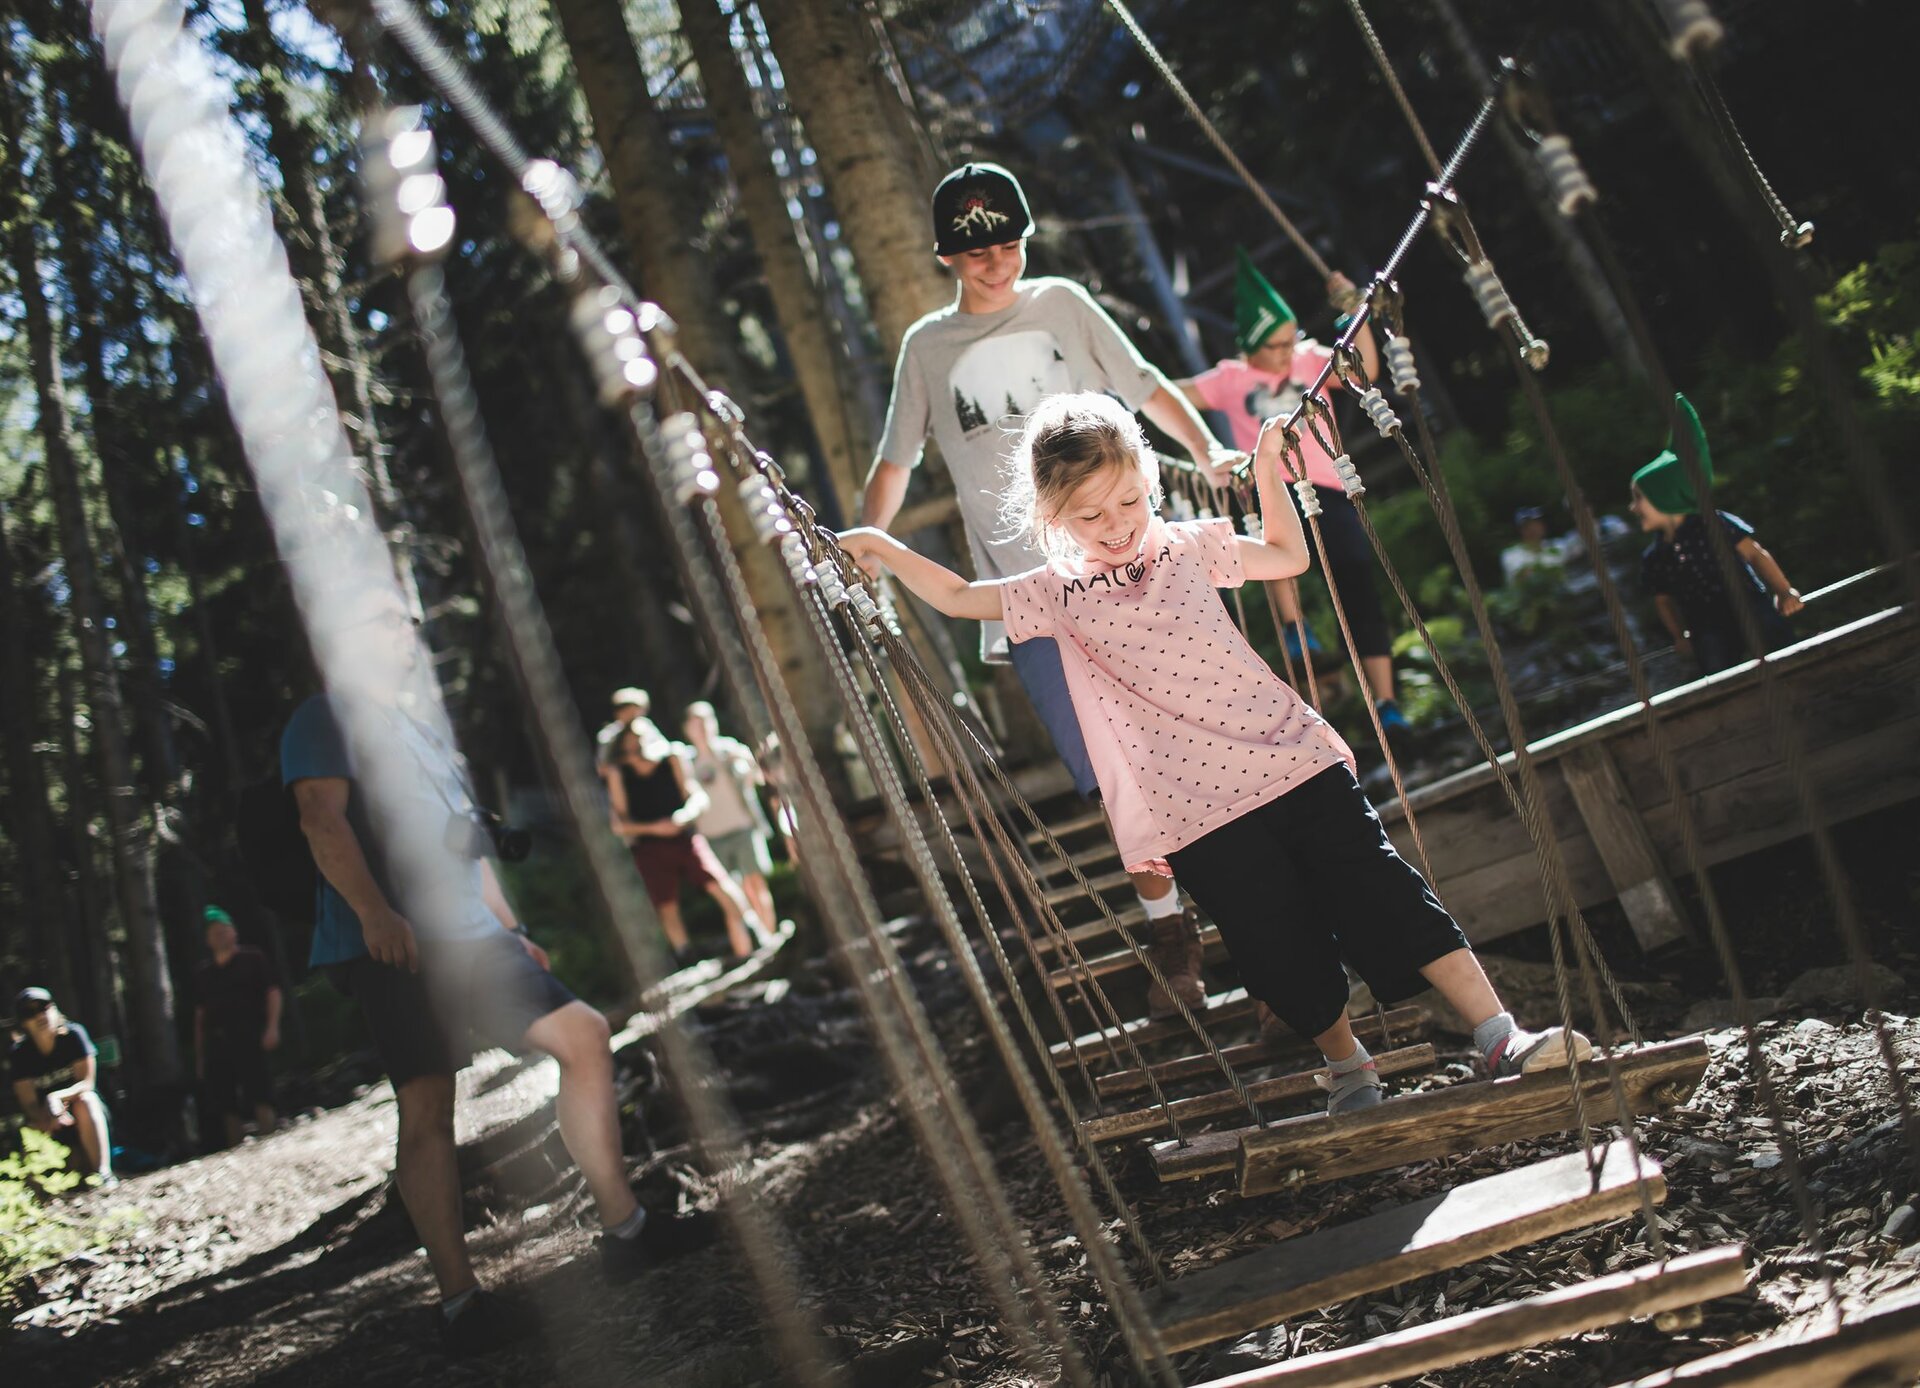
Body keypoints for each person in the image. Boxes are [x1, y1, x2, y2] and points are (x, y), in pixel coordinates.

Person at [839, 392, 1591, 1112]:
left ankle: (1498, 1035)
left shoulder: (1188, 545)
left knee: (1384, 888)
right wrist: (881, 548)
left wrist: (1267, 469)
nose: (1116, 524)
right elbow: (963, 595)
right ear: (1052, 517)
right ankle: (1345, 1065)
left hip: (1288, 757)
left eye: (1129, 501)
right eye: (1089, 514)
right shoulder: (1053, 592)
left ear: (1149, 480)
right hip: (1193, 808)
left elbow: (1287, 556)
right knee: (1273, 941)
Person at [860, 161, 1246, 1019]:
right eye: (976, 252)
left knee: (1192, 742)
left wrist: (1211, 449)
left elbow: (1143, 383)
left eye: (1008, 243)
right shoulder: (927, 347)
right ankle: (1172, 937)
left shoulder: (1065, 303)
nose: (996, 263)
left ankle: (1252, 927)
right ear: (946, 260)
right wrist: (869, 544)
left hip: (1131, 565)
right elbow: (897, 460)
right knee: (1112, 776)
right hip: (1027, 593)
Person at [283, 579, 703, 1356]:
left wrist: (516, 928)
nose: (406, 633)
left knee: (582, 1034)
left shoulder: (418, 732)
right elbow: (320, 816)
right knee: (428, 1108)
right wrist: (375, 913)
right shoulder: (324, 718)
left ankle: (626, 1230)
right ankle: (460, 1303)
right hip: (394, 943)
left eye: (409, 621)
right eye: (386, 620)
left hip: (476, 937)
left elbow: (465, 839)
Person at [1177, 249, 1407, 739]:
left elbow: (1362, 369)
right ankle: (1294, 628)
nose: (1286, 353)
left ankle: (1387, 703)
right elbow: (1173, 395)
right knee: (1275, 551)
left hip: (1325, 485)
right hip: (1271, 489)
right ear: (1251, 345)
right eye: (1275, 346)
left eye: (1289, 341)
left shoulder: (1310, 360)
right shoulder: (1230, 378)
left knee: (1358, 584)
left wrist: (1354, 313)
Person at [1630, 394, 1801, 677]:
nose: (1633, 508)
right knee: (1717, 668)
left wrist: (1784, 591)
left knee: (1778, 644)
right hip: (1706, 624)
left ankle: (1797, 672)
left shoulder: (1715, 525)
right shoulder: (1656, 555)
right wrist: (1679, 637)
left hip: (1749, 605)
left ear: (1667, 498)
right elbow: (1663, 600)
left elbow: (1755, 554)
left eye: (1639, 499)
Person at [600, 717, 765, 963]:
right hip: (648, 846)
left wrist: (681, 818)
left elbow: (697, 797)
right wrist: (655, 828)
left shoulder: (673, 757)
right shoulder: (620, 774)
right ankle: (685, 954)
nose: (638, 748)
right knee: (666, 903)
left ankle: (755, 931)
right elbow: (620, 824)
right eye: (632, 744)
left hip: (685, 838)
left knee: (718, 883)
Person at [192, 905, 284, 1147]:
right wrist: (200, 1056)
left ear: (234, 932)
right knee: (224, 1098)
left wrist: (272, 1027)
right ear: (207, 940)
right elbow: (200, 1017)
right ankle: (236, 1147)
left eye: (224, 930)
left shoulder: (252, 958)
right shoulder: (204, 973)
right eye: (214, 933)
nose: (220, 936)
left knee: (259, 1087)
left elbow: (272, 993)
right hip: (217, 1041)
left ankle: (269, 1135)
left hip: (250, 1033)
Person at [682, 702, 778, 932]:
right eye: (696, 724)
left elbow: (758, 779)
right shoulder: (685, 761)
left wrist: (747, 762)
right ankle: (758, 936)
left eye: (706, 722)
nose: (702, 729)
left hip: (743, 826)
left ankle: (771, 932)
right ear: (687, 729)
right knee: (734, 891)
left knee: (755, 883)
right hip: (710, 835)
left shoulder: (731, 750)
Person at [8, 988, 114, 1183]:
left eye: (44, 1007)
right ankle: (40, 1190)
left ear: (54, 1008)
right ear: (23, 1023)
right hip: (48, 1122)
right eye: (30, 1012)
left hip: (85, 1116)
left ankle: (103, 1173)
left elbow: (87, 1083)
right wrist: (49, 1115)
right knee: (28, 1129)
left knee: (87, 1101)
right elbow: (28, 1103)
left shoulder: (73, 1036)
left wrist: (56, 1098)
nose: (40, 1015)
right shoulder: (20, 1054)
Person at [1500, 506, 1582, 587]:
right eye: (1528, 525)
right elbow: (1523, 578)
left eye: (1537, 523)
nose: (1534, 528)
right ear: (1521, 530)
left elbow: (1578, 542)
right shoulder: (1511, 555)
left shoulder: (1556, 546)